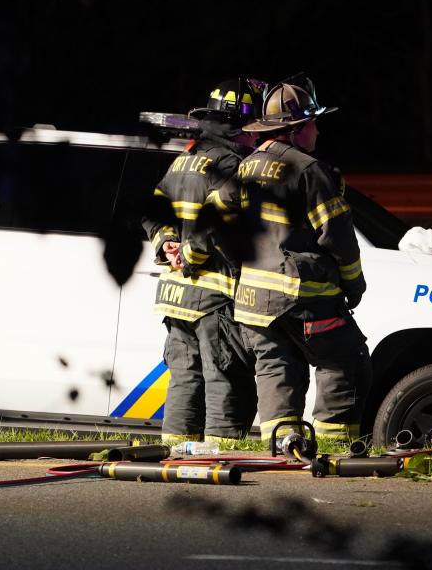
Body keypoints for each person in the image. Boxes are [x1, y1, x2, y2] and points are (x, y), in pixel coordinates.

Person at [214, 74, 371, 443]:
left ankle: (283, 445)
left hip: (253, 303)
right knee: (344, 360)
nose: (317, 131)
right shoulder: (308, 170)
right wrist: (354, 285)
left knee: (275, 368)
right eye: (313, 122)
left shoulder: (245, 166)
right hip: (305, 299)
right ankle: (335, 445)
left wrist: (241, 268)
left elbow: (217, 222)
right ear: (296, 128)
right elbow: (338, 237)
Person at [142, 78, 266, 443]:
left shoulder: (184, 160)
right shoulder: (232, 164)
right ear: (241, 127)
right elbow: (215, 222)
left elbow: (152, 212)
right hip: (213, 296)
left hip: (176, 296)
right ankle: (221, 456)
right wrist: (191, 255)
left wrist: (166, 244)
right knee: (224, 376)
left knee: (184, 377)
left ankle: (176, 455)